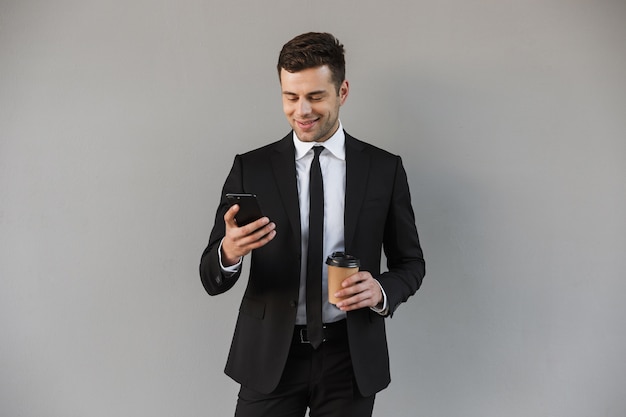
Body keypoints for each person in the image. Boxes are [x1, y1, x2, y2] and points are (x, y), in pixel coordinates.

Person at [200, 32, 425, 417]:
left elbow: (411, 264)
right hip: (270, 355)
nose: (302, 110)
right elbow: (210, 276)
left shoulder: (384, 170)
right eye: (291, 97)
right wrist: (229, 253)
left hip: (349, 357)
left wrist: (381, 291)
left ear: (343, 91)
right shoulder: (250, 169)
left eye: (316, 96)